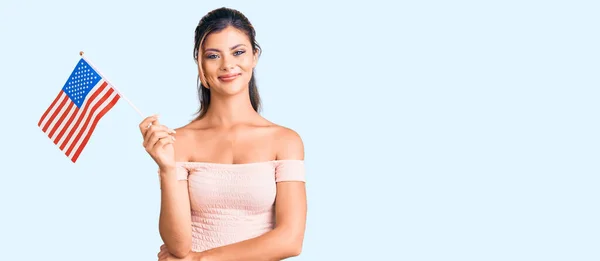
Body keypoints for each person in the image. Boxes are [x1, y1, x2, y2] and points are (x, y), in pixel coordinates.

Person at [138, 7, 307, 261]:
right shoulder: (178, 142)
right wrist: (166, 168)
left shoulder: (285, 141)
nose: (228, 65)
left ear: (254, 56)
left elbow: (291, 240)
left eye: (238, 52)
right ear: (200, 63)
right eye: (213, 56)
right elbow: (178, 247)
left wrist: (202, 259)